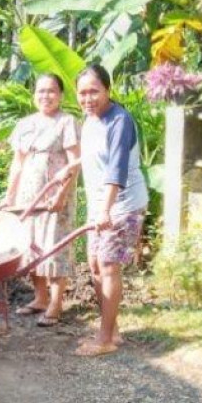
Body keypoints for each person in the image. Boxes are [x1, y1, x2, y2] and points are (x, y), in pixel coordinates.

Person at [59, 64, 148, 356]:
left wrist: (105, 210)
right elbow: (92, 156)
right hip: (102, 205)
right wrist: (71, 167)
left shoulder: (119, 120)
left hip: (122, 204)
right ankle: (113, 331)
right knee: (95, 266)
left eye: (94, 91)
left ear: (107, 90)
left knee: (108, 266)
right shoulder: (90, 121)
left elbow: (116, 168)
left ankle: (105, 339)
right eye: (82, 93)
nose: (88, 98)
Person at [0, 74, 80, 327]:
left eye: (52, 91)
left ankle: (56, 303)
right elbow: (17, 163)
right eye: (41, 91)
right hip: (28, 194)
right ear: (34, 94)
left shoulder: (67, 122)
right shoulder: (25, 124)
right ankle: (40, 298)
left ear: (61, 95)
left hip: (55, 194)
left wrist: (62, 193)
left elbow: (74, 163)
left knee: (54, 246)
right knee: (32, 245)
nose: (46, 96)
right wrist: (9, 196)